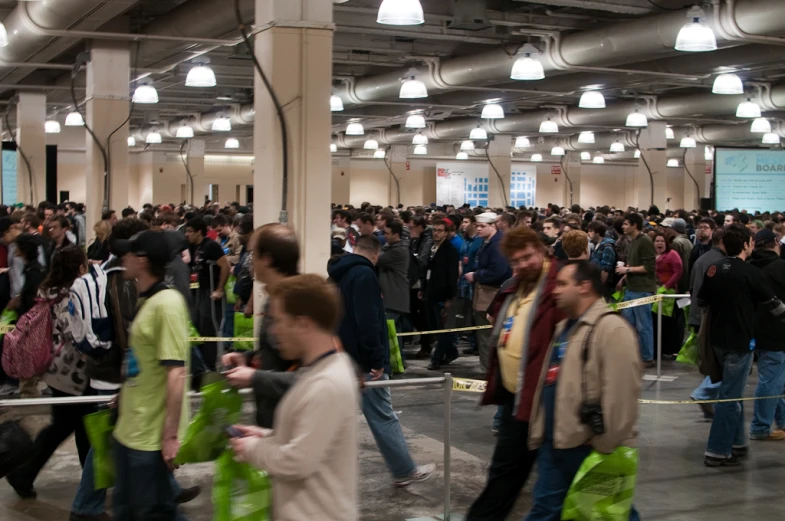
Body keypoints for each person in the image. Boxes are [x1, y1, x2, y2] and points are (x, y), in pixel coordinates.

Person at [229, 274, 360, 521]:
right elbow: (311, 439)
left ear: (303, 323)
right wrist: (266, 436)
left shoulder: (327, 383)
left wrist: (253, 448)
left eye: (278, 321)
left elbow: (297, 462)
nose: (274, 331)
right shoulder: (319, 371)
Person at [524, 261, 641, 521]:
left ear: (584, 286)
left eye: (563, 284)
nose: (555, 290)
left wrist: (604, 443)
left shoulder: (612, 329)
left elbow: (622, 395)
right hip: (558, 444)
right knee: (545, 511)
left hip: (591, 449)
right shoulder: (565, 328)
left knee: (606, 515)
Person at [467, 226, 564, 521]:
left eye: (527, 257)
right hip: (516, 398)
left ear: (542, 250)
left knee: (551, 485)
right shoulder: (515, 286)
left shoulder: (562, 285)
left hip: (549, 403)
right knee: (504, 474)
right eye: (515, 260)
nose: (522, 264)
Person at [328, 235, 435, 486]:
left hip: (343, 358)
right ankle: (405, 470)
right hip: (364, 363)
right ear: (375, 255)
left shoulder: (337, 274)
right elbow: (369, 322)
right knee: (382, 414)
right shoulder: (365, 276)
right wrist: (376, 360)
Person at [111, 230, 191, 519]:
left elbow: (176, 373)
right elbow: (145, 361)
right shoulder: (146, 300)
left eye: (129, 253)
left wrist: (170, 435)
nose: (123, 259)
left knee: (152, 512)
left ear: (142, 261)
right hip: (131, 428)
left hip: (150, 437)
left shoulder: (167, 304)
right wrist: (125, 393)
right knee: (126, 508)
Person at [7, 246, 92, 499]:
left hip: (56, 370)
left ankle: (26, 474)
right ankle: (88, 487)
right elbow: (74, 333)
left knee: (70, 425)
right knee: (76, 425)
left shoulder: (48, 291)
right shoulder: (70, 296)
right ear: (80, 268)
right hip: (73, 372)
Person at [699, 224, 785, 467]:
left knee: (732, 395)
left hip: (717, 340)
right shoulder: (749, 273)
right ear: (746, 244)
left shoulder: (713, 269)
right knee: (729, 397)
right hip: (740, 342)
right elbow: (775, 306)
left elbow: (702, 300)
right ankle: (717, 450)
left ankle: (737, 445)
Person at [221, 224, 300, 428]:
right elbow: (278, 356)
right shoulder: (273, 299)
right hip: (272, 423)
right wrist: (248, 359)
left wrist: (255, 377)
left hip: (291, 427)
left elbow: (310, 378)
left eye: (253, 253)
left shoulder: (296, 303)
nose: (250, 260)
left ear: (267, 258)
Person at [748, 229, 785, 441]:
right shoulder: (781, 267)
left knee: (776, 380)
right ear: (775, 243)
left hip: (757, 332)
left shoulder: (751, 268)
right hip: (778, 333)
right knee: (770, 381)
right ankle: (760, 427)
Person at [464, 212, 512, 373]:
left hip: (491, 294)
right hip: (484, 292)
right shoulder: (486, 242)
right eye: (477, 226)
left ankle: (489, 370)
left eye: (482, 226)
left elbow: (498, 271)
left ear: (493, 226)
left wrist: (476, 275)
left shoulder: (497, 245)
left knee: (487, 335)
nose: (478, 229)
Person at [185, 216, 230, 380]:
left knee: (208, 327)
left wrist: (219, 289)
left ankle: (210, 365)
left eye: (190, 231)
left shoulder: (211, 246)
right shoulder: (192, 247)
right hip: (196, 291)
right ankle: (199, 366)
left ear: (199, 231)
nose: (187, 234)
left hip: (208, 291)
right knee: (196, 327)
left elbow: (225, 265)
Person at [688, 228, 725, 418]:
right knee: (719, 364)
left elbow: (692, 288)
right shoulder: (719, 263)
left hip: (698, 315)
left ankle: (708, 399)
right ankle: (705, 393)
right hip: (710, 317)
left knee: (710, 362)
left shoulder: (701, 260)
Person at [615, 212, 657, 367]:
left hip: (642, 289)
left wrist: (627, 271)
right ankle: (633, 354)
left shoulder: (645, 241)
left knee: (643, 326)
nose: (623, 226)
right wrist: (624, 278)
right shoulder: (632, 241)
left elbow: (649, 267)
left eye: (626, 224)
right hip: (631, 288)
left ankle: (647, 357)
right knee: (628, 324)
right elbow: (634, 265)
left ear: (634, 225)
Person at [422, 219, 460, 370]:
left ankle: (436, 359)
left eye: (439, 230)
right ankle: (451, 351)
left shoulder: (450, 251)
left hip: (442, 295)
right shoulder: (432, 247)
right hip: (430, 292)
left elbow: (452, 275)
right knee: (435, 327)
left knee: (442, 328)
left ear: (446, 232)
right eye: (434, 230)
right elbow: (428, 271)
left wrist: (449, 298)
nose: (436, 233)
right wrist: (423, 289)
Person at [652, 231, 684, 356]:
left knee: (667, 322)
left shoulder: (672, 254)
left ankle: (669, 349)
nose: (659, 243)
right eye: (657, 241)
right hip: (653, 291)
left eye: (662, 241)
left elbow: (678, 272)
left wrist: (666, 286)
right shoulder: (651, 256)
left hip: (668, 293)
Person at [378, 219, 410, 335]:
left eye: (387, 233)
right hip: (393, 298)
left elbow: (377, 259)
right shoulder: (392, 248)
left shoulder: (398, 251)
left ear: (396, 235)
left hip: (394, 298)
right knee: (395, 334)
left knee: (388, 333)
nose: (384, 236)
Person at [587, 221, 616, 295]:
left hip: (604, 284)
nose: (588, 233)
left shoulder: (607, 247)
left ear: (597, 232)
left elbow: (606, 270)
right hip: (595, 279)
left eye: (591, 231)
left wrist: (599, 287)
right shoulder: (597, 244)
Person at [669, 218, 693, 293]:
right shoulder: (688, 241)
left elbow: (674, 264)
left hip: (679, 280)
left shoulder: (676, 242)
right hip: (687, 278)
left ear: (674, 228)